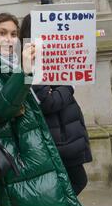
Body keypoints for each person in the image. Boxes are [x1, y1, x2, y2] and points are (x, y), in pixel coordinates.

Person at [0, 13, 82, 206]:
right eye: (2, 33)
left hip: (30, 149)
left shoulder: (12, 61)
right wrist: (24, 71)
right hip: (16, 154)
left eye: (14, 34)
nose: (8, 39)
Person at [19, 14, 92, 196]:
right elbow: (49, 102)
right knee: (72, 185)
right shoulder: (32, 62)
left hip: (67, 137)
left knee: (73, 184)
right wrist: (69, 83)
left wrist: (62, 84)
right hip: (58, 140)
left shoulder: (51, 58)